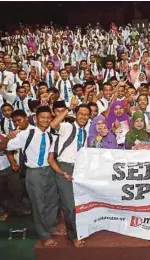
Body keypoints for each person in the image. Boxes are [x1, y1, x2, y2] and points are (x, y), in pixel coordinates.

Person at [0, 106, 59, 247]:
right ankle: (44, 235)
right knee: (39, 205)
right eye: (42, 117)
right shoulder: (27, 134)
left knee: (53, 202)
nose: (46, 120)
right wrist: (7, 137)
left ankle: (51, 227)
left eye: (49, 117)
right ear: (36, 118)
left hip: (49, 171)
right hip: (35, 173)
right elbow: (0, 148)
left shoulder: (51, 134)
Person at [47, 104, 91, 248]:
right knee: (70, 206)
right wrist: (68, 109)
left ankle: (73, 227)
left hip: (78, 169)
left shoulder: (85, 132)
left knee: (78, 204)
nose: (83, 116)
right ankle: (73, 236)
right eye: (81, 113)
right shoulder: (67, 126)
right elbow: (53, 124)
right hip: (64, 167)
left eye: (86, 114)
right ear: (75, 114)